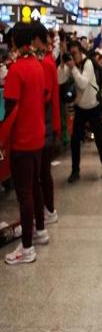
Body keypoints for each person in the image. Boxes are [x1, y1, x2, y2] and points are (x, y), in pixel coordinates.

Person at [3, 22, 47, 265]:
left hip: (22, 140)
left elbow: (10, 109)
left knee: (24, 193)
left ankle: (27, 248)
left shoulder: (16, 70)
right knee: (35, 185)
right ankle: (40, 230)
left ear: (14, 42)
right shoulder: (38, 65)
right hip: (37, 136)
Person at [59, 41, 102, 183]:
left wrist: (73, 68)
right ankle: (75, 171)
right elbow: (60, 79)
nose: (73, 56)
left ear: (80, 51)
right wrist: (63, 65)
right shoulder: (72, 65)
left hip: (93, 107)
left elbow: (82, 83)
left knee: (99, 139)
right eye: (71, 54)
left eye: (75, 53)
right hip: (80, 108)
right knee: (75, 141)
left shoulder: (87, 63)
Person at [32, 23, 61, 225]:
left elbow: (45, 96)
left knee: (41, 173)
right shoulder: (48, 60)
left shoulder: (46, 63)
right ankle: (48, 209)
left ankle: (48, 210)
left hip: (45, 126)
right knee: (43, 172)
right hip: (48, 125)